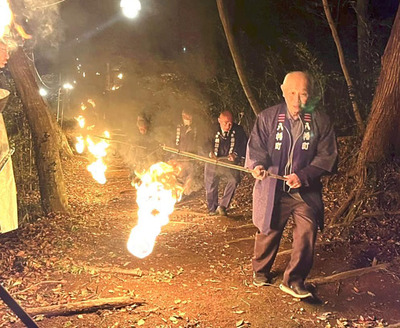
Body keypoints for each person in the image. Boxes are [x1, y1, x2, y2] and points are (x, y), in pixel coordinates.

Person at [245, 71, 337, 298]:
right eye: (292, 92)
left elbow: (327, 157)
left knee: (307, 231)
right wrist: (257, 165)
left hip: (304, 191)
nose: (297, 100)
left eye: (303, 94)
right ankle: (261, 270)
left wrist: (303, 175)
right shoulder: (268, 117)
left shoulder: (320, 121)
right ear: (283, 91)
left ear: (310, 95)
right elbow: (256, 148)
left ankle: (294, 280)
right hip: (274, 188)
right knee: (269, 229)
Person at [204, 110, 247, 216]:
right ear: (219, 120)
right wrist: (209, 153)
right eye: (225, 123)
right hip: (213, 161)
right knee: (211, 183)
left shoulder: (238, 130)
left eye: (230, 123)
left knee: (234, 179)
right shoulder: (210, 129)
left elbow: (244, 145)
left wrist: (236, 154)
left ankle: (222, 206)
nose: (228, 125)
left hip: (229, 162)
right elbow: (203, 143)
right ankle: (212, 209)